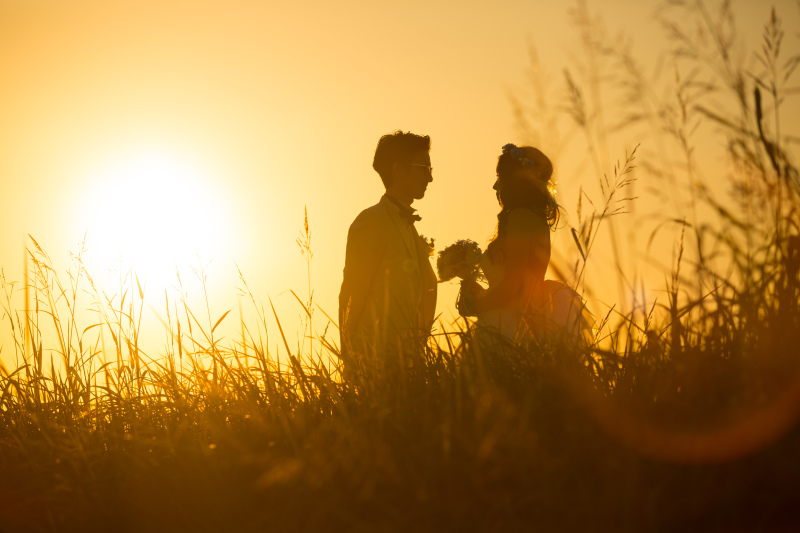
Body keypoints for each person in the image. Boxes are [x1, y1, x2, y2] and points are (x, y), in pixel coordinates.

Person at [458, 143, 594, 346]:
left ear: (514, 180)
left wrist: (475, 305)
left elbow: (514, 286)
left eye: (500, 177)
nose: (496, 186)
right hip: (524, 315)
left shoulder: (520, 217)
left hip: (510, 325)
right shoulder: (534, 218)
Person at [339, 130, 438, 375]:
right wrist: (349, 357)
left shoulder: (410, 227)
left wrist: (419, 344)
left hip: (410, 361)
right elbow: (352, 293)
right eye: (424, 168)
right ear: (399, 169)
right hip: (374, 361)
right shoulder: (370, 222)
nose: (430, 178)